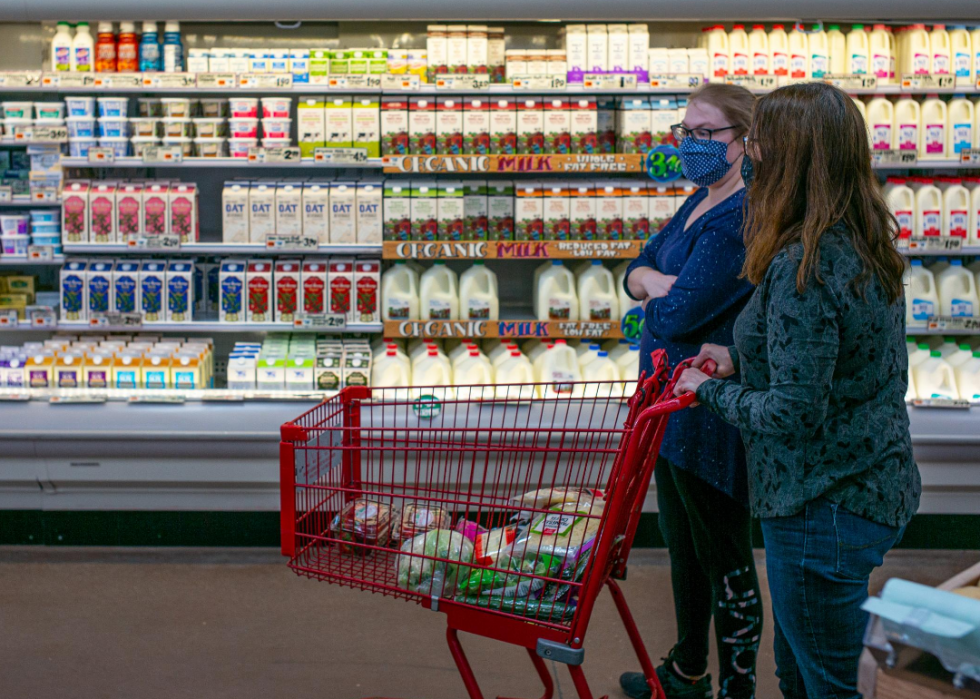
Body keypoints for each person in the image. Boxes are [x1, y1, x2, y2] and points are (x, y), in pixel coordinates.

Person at [674, 82, 922, 699]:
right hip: (867, 482)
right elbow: (838, 358)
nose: (750, 150)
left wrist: (705, 391)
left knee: (826, 683)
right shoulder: (859, 238)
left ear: (790, 156)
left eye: (760, 139)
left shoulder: (801, 266)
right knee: (798, 671)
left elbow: (791, 411)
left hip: (822, 503)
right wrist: (738, 357)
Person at [619, 83, 761, 699]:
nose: (692, 144)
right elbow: (636, 270)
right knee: (684, 547)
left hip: (707, 409)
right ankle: (687, 669)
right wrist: (655, 282)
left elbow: (675, 315)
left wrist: (659, 293)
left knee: (722, 552)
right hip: (668, 404)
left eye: (708, 134)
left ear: (746, 140)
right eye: (686, 131)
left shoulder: (740, 216)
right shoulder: (701, 200)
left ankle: (737, 685)